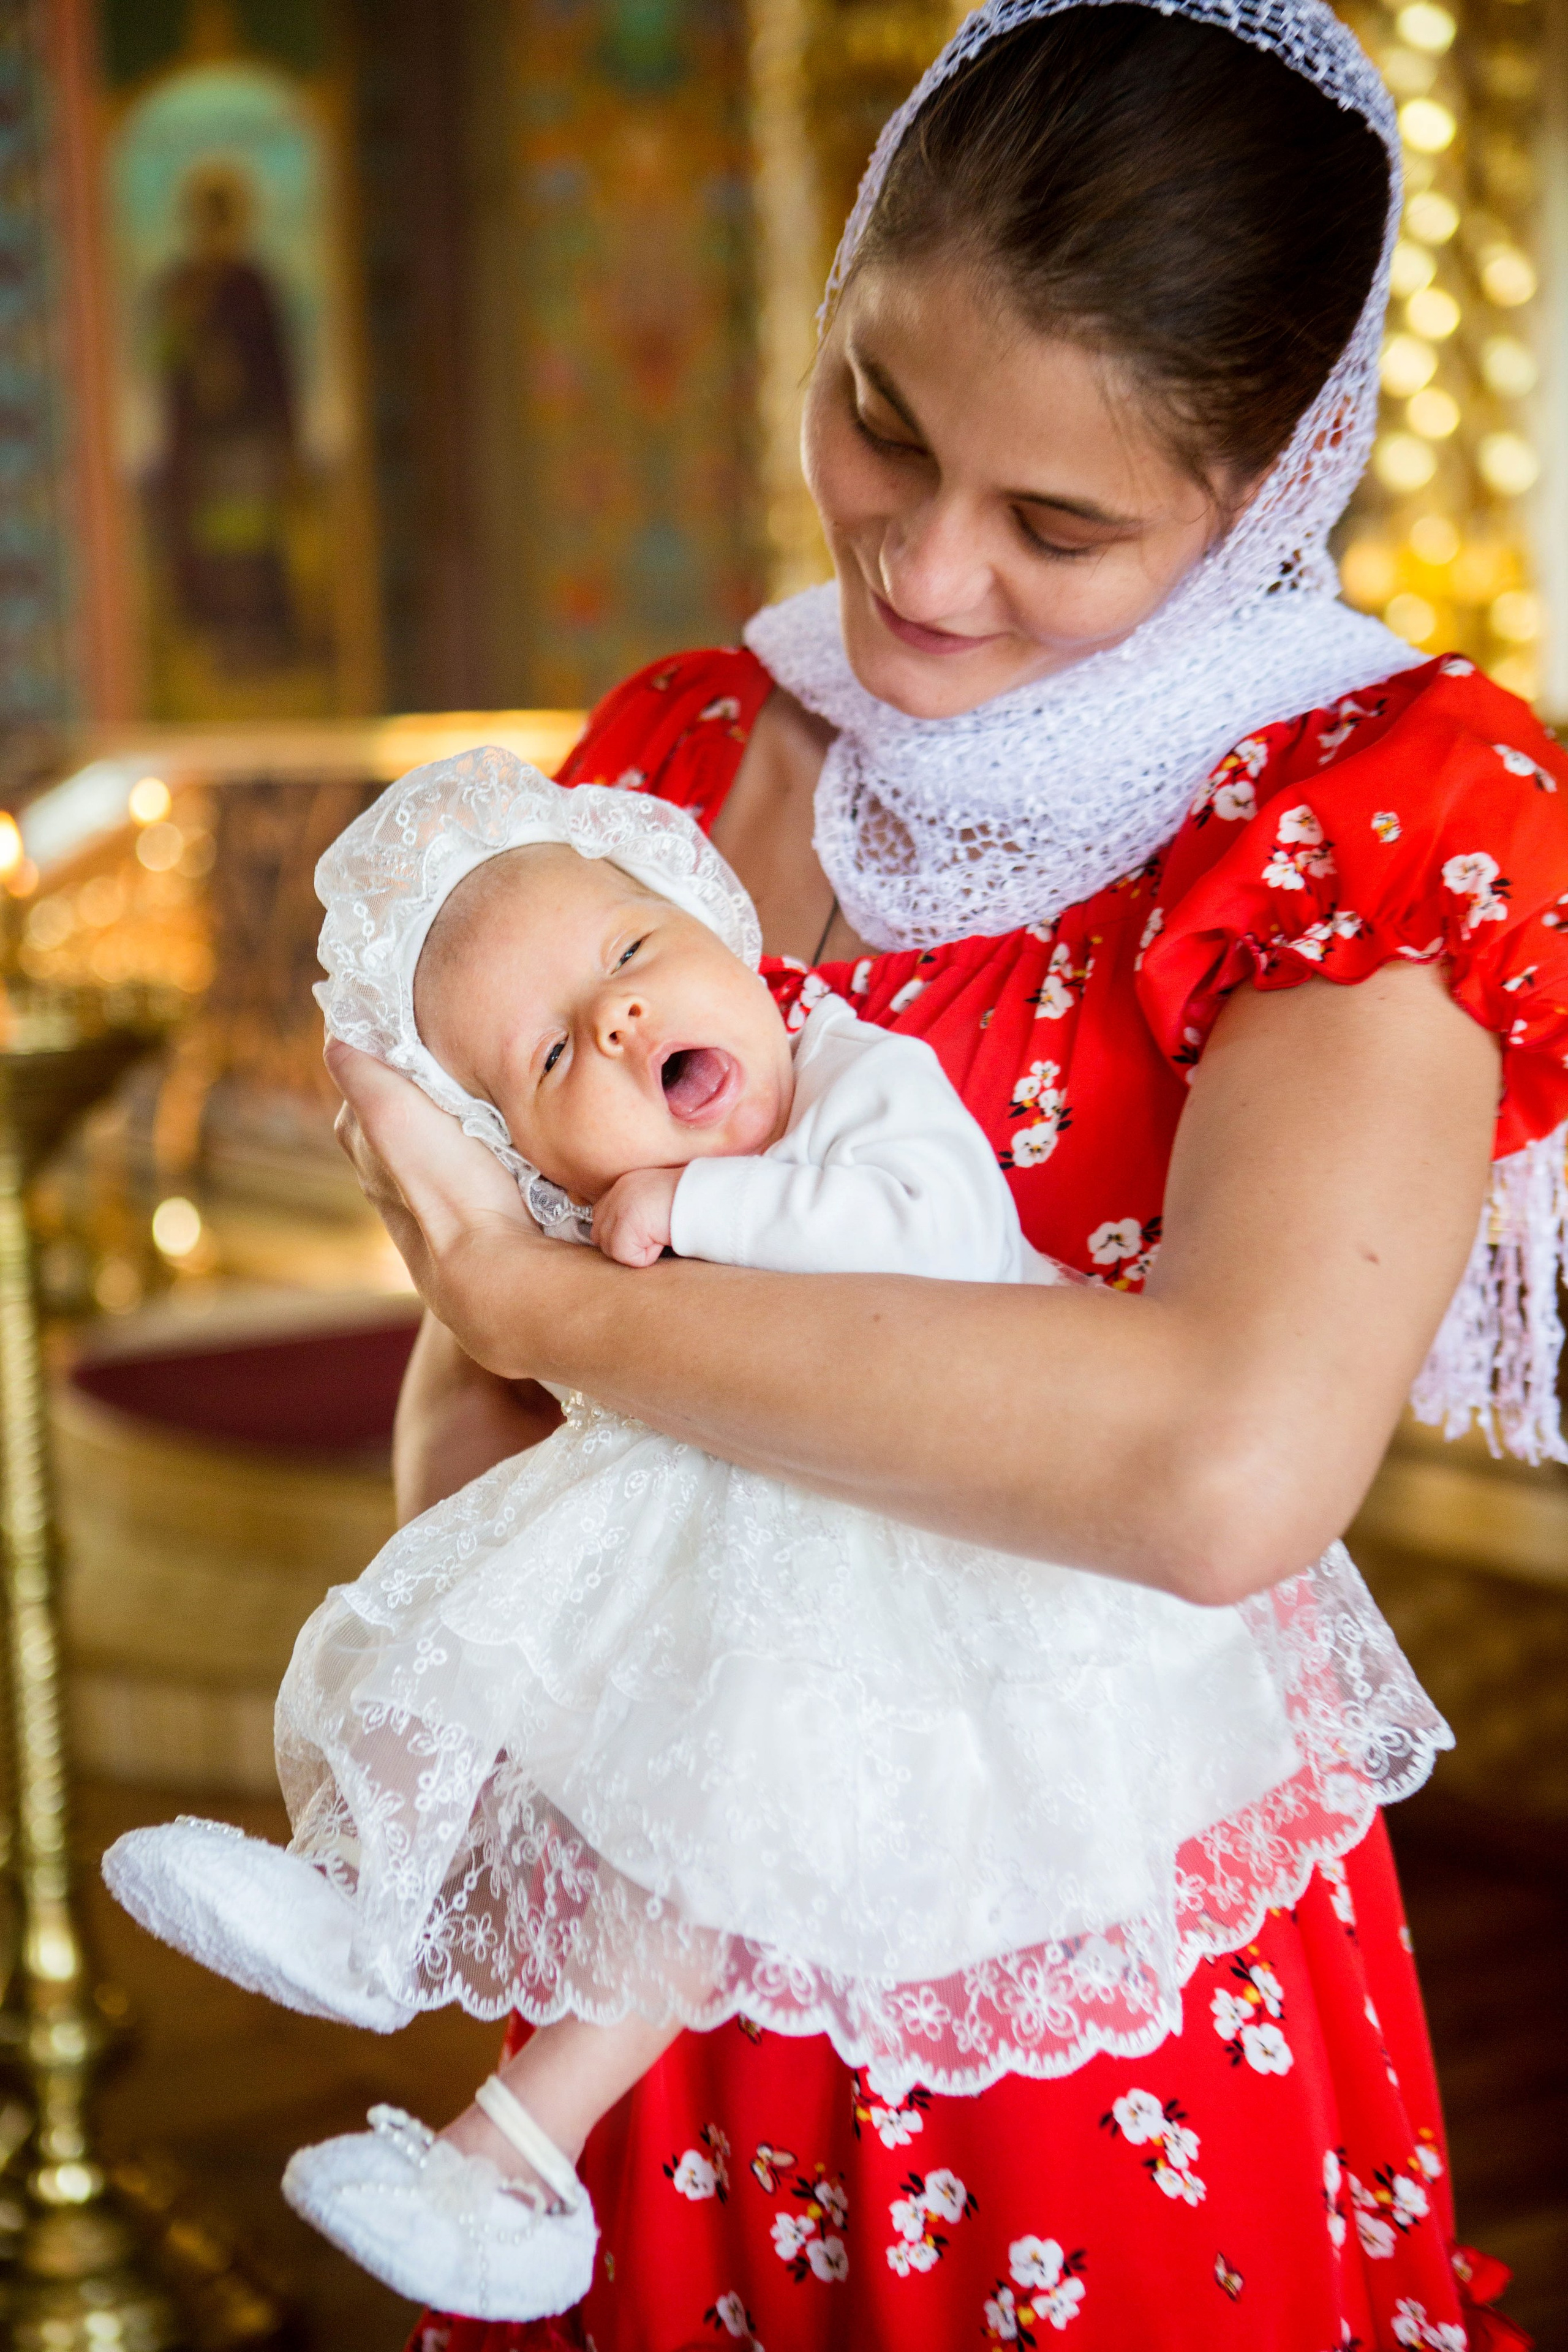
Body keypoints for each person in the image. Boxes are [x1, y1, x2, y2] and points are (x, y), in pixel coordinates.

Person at [329, 1, 1559, 2344]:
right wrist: (473, 1739)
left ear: (1264, 487)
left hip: (1076, 2011)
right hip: (644, 1973)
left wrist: (545, 1305)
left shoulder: (1374, 815)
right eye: (880, 420)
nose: (924, 566)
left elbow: (1217, 1469)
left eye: (1062, 522)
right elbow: (476, 1416)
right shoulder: (684, 746)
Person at [107, 762, 1437, 2324]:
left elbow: (923, 1228)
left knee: (705, 1857)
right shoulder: (591, 1213)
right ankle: (364, 1895)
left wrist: (684, 1208)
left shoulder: (852, 1071)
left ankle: (514, 2151)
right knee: (464, 1622)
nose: (610, 1021)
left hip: (951, 1587)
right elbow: (477, 1397)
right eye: (550, 1053)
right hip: (721, 1559)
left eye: (626, 959)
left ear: (724, 937)